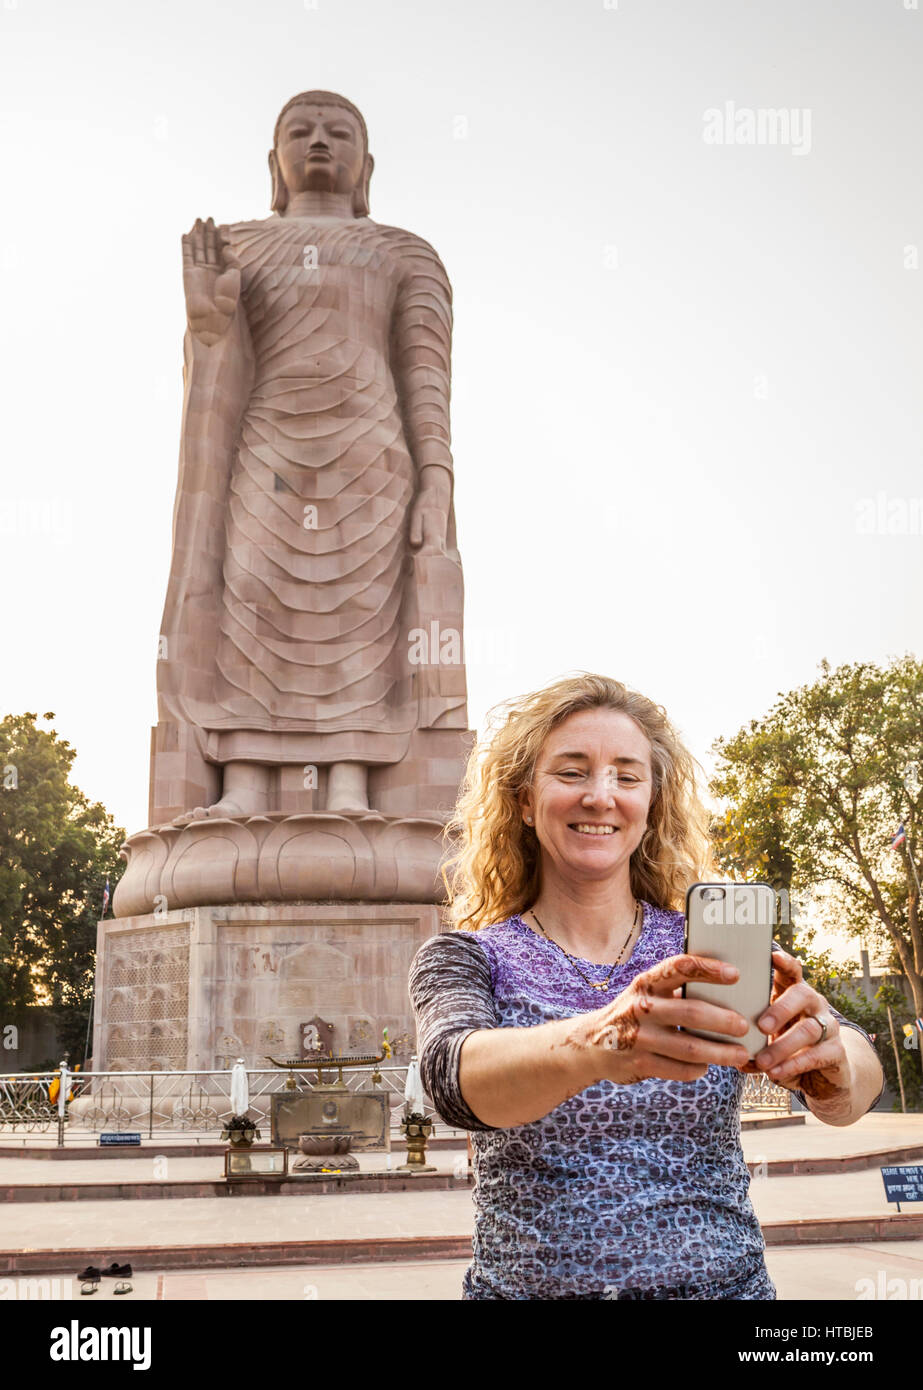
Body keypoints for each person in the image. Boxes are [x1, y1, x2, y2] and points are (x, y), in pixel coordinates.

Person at [408, 673, 885, 1300]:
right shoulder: (466, 956)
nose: (601, 797)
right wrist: (600, 1042)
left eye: (627, 777)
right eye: (572, 772)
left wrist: (832, 1065)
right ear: (524, 801)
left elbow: (853, 1064)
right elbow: (450, 1078)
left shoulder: (705, 947)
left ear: (651, 803)